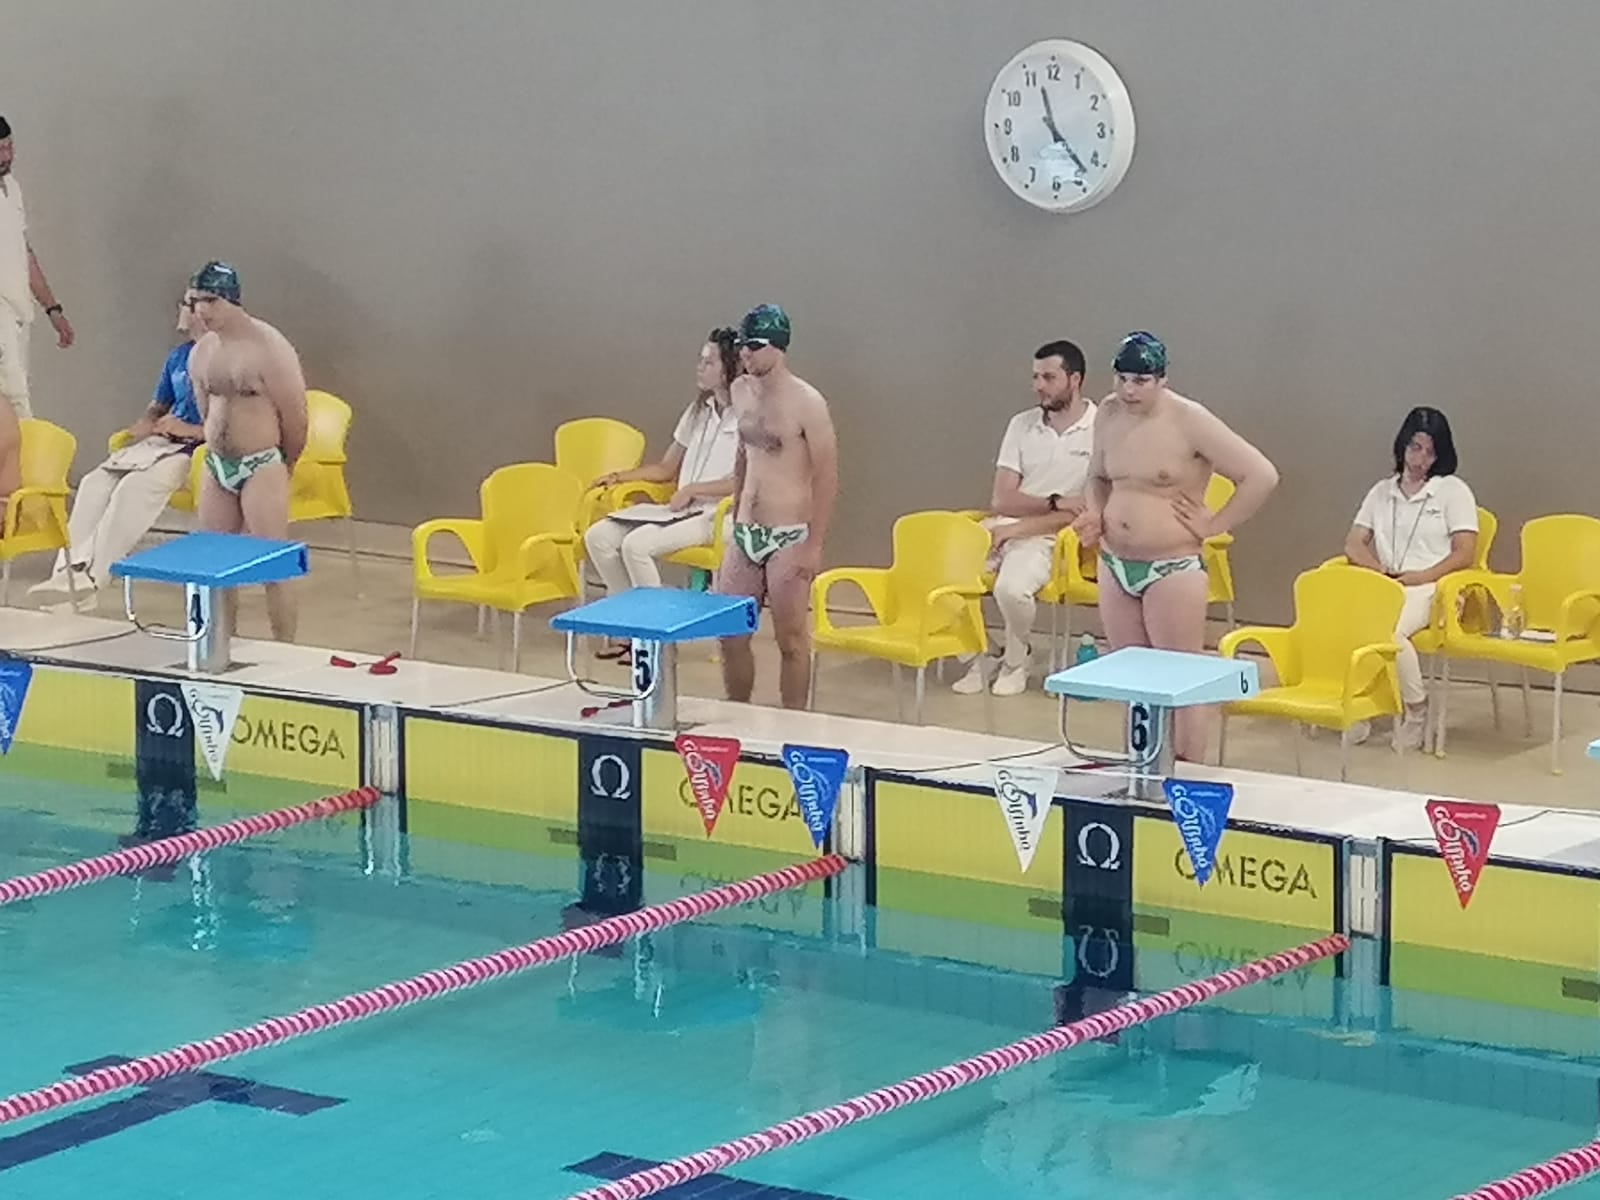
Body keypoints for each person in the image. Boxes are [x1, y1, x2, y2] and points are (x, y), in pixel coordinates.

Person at [1074, 332, 1279, 762]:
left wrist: (1214, 525)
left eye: (1140, 382)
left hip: (1171, 567)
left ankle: (1185, 775)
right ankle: (1140, 767)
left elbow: (1261, 475)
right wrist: (1095, 512)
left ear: (1161, 380)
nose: (1129, 391)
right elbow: (1097, 476)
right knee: (1132, 678)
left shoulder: (1190, 420)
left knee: (1180, 681)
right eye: (1122, 379)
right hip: (1115, 562)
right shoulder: (1108, 413)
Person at [31, 298, 204, 604]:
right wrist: (147, 422)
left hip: (195, 450)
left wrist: (189, 430)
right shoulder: (178, 357)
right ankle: (67, 574)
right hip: (162, 441)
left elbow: (234, 428)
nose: (181, 309)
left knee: (134, 488)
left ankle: (95, 576)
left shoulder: (226, 360)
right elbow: (158, 406)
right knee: (94, 482)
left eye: (189, 303)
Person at [584, 328, 742, 658]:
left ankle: (654, 640)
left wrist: (694, 489)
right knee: (598, 536)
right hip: (682, 509)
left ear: (729, 368)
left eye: (709, 362)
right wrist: (618, 477)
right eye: (700, 360)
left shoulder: (750, 417)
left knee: (637, 545)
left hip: (720, 515)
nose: (700, 367)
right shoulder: (698, 411)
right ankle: (631, 626)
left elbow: (746, 481)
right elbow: (666, 468)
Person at [953, 340, 1097, 696]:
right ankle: (982, 654)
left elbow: (1085, 512)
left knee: (1011, 589)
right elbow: (1002, 498)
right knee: (938, 575)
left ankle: (1017, 660)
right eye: (1035, 377)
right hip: (1004, 526)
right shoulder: (1021, 424)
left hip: (1051, 538)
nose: (1038, 386)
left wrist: (1022, 526)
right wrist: (1055, 501)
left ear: (1075, 379)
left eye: (1048, 377)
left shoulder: (1100, 430)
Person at [714, 304, 838, 709]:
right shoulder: (740, 390)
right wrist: (737, 507)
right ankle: (737, 713)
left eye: (754, 346)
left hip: (789, 534)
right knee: (730, 634)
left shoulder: (808, 402)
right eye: (742, 345)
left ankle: (794, 723)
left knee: (791, 640)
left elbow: (827, 475)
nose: (745, 354)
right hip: (745, 530)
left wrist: (814, 544)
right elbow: (743, 452)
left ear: (778, 348)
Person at [186, 261, 309, 642]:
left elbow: (295, 416)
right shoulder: (202, 352)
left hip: (262, 463)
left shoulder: (270, 347)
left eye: (210, 300)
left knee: (274, 564)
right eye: (196, 301)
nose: (202, 310)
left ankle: (286, 648)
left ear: (232, 300)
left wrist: (285, 464)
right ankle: (220, 644)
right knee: (214, 564)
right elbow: (205, 409)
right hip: (218, 464)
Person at [1342, 407, 1478, 750]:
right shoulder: (1381, 492)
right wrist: (1378, 572)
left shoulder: (1453, 491)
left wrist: (1422, 576)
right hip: (1388, 582)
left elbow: (1465, 553)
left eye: (1430, 452)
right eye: (1415, 448)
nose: (1420, 459)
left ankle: (1416, 708)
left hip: (1434, 585)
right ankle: (1361, 705)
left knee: (1390, 631)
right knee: (1347, 620)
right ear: (1402, 445)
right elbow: (1354, 543)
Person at [0, 115, 75, 419]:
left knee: (17, 391)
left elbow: (23, 252)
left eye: (10, 146)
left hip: (19, 312)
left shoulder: (11, 188)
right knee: (15, 397)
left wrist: (52, 309)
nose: (7, 155)